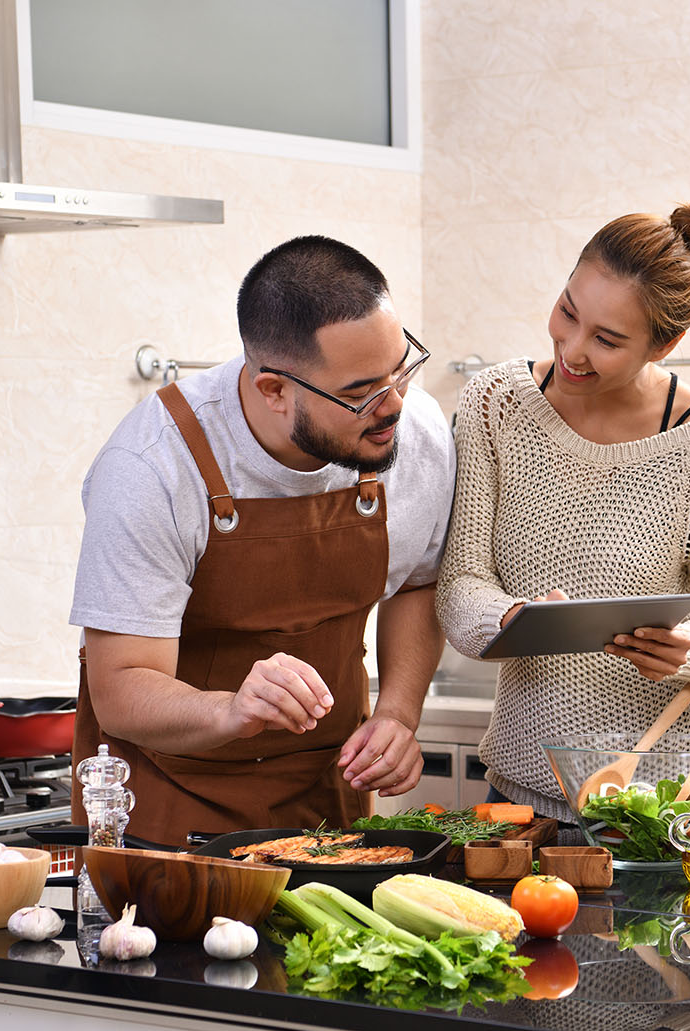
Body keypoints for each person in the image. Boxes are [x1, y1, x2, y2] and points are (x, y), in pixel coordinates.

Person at [69, 236, 456, 841]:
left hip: (328, 790)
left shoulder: (414, 433)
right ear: (275, 389)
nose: (394, 406)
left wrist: (398, 714)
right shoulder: (151, 466)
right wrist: (232, 710)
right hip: (166, 801)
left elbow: (417, 581)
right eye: (360, 393)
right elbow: (121, 690)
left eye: (401, 368)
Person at [436, 191, 690, 823]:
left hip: (667, 806)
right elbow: (459, 586)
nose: (573, 348)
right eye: (567, 311)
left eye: (608, 339)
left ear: (664, 346)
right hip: (521, 799)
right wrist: (510, 618)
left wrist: (687, 649)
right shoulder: (494, 406)